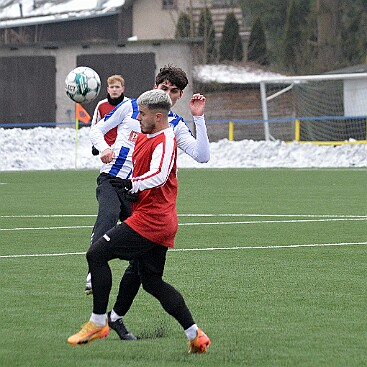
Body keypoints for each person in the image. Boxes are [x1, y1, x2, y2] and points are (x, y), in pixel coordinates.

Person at [68, 89, 211, 354]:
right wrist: (103, 149)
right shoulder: (148, 134)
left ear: (157, 117)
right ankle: (195, 335)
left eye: (142, 115)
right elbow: (114, 141)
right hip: (156, 219)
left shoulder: (166, 140)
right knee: (153, 282)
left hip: (152, 221)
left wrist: (131, 184)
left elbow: (158, 175)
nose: (138, 118)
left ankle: (99, 322)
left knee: (96, 254)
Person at [90, 74, 126, 155]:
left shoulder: (128, 104)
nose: (114, 90)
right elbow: (94, 126)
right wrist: (94, 145)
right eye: (112, 87)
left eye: (117, 87)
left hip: (124, 147)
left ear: (122, 89)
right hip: (107, 148)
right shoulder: (101, 105)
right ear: (108, 89)